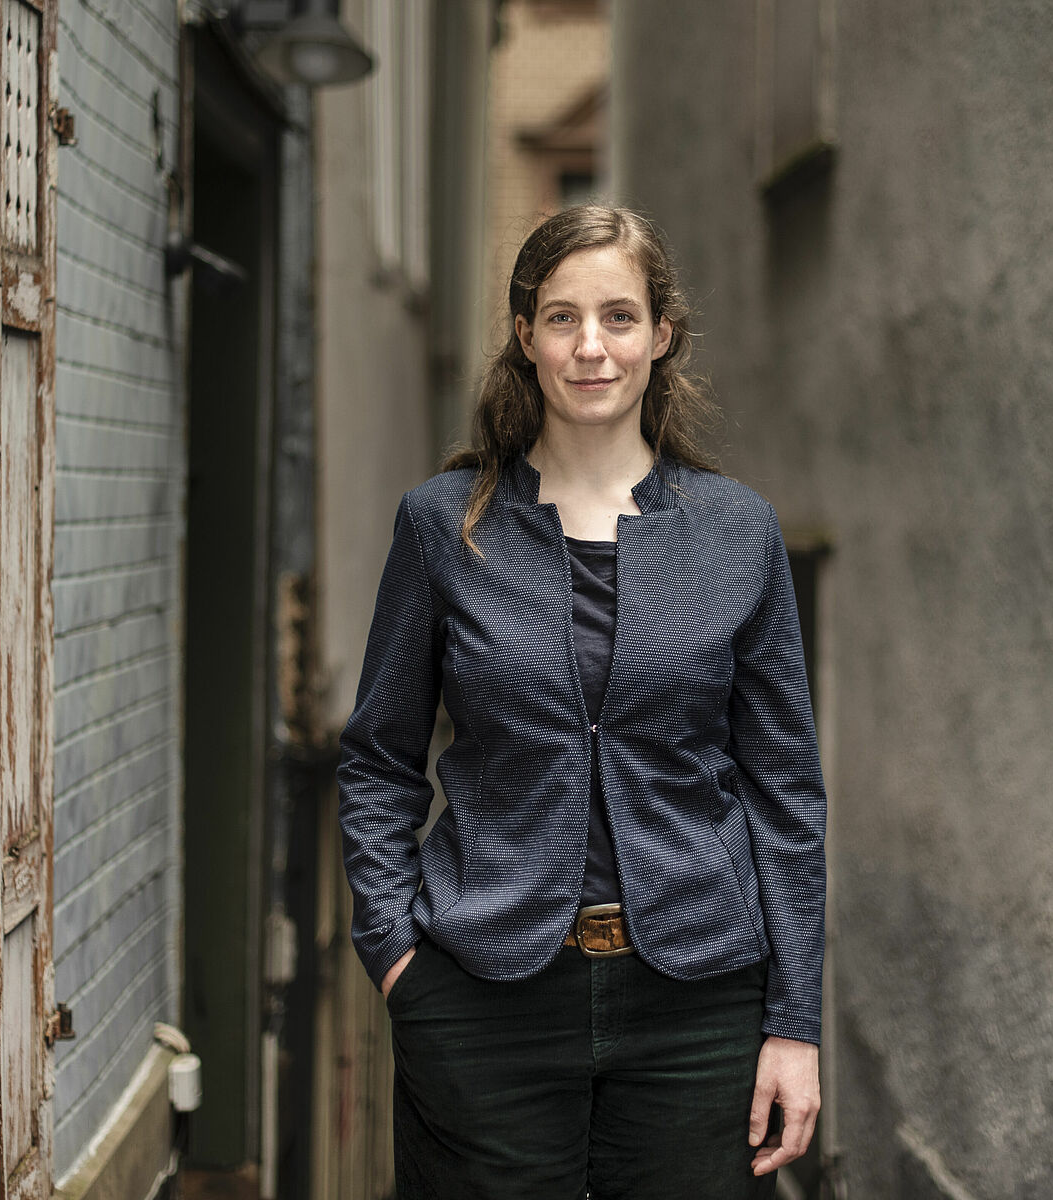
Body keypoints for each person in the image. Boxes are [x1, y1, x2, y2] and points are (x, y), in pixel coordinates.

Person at [337, 204, 827, 1199]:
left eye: (618, 317)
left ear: (663, 334)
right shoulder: (444, 526)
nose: (590, 347)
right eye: (562, 318)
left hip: (699, 1004)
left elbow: (785, 795)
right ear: (526, 338)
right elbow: (380, 759)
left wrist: (795, 1021)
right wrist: (396, 956)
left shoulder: (739, 533)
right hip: (483, 995)